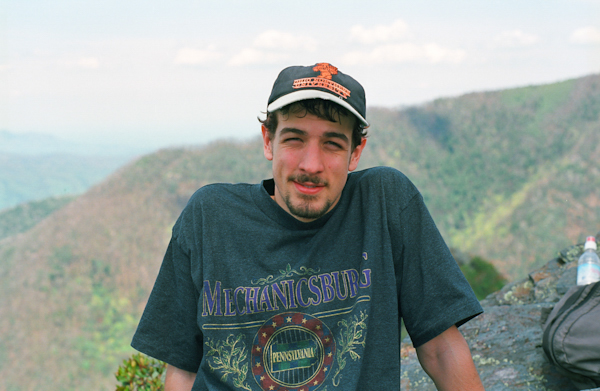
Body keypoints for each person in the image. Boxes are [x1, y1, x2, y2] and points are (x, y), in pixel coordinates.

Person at [132, 62, 485, 390]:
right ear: (268, 140)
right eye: (294, 139)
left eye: (332, 143)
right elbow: (182, 368)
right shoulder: (209, 217)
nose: (311, 164)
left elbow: (441, 348)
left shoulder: (385, 203)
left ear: (356, 152)